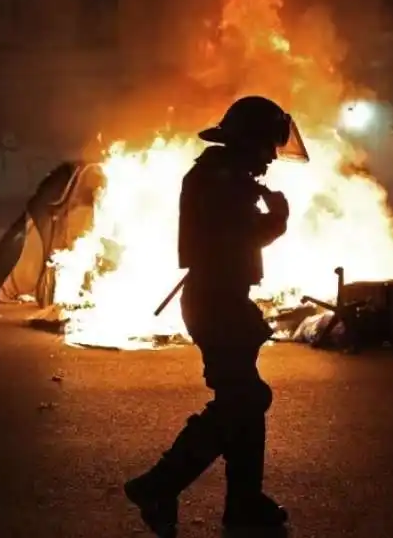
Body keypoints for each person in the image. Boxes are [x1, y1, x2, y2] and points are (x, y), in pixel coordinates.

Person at [124, 96, 309, 537]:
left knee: (244, 402)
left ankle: (244, 503)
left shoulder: (223, 175)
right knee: (245, 400)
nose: (270, 158)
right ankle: (158, 484)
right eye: (267, 146)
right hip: (217, 300)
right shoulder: (222, 178)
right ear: (249, 141)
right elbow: (233, 242)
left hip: (222, 299)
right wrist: (277, 221)